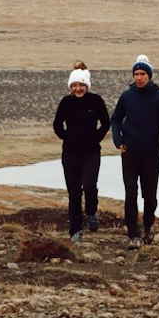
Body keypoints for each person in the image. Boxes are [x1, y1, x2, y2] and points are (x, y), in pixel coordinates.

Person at [110, 54, 159, 247]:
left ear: (149, 75)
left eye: (142, 74)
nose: (139, 77)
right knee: (130, 194)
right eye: (136, 74)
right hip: (129, 153)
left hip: (151, 154)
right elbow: (115, 119)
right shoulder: (127, 96)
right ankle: (133, 234)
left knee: (149, 195)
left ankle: (148, 226)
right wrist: (118, 141)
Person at [52, 61, 111, 243]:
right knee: (74, 193)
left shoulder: (96, 101)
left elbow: (106, 123)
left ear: (87, 85)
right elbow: (57, 124)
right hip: (70, 154)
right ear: (71, 87)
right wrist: (66, 137)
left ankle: (92, 212)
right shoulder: (66, 102)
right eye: (75, 85)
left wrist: (96, 138)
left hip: (91, 153)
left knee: (90, 187)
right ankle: (75, 231)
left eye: (81, 85)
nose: (78, 89)